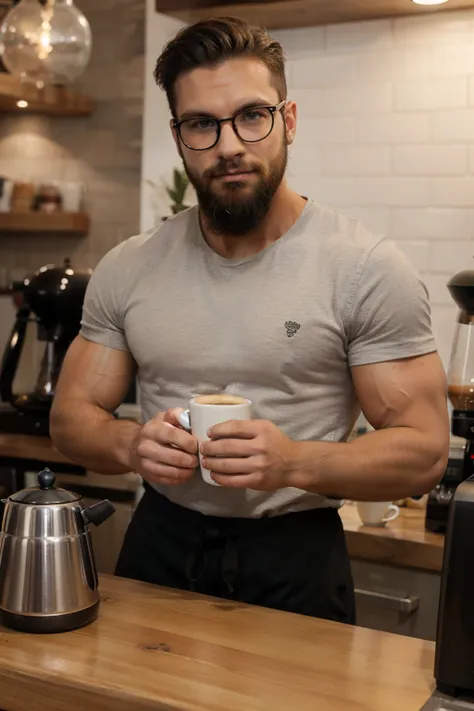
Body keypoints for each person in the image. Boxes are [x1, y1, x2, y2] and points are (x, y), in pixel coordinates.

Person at [50, 16, 449, 625]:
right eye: (202, 124)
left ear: (287, 120)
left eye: (251, 115)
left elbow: (424, 452)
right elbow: (70, 420)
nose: (229, 144)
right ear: (179, 136)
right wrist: (132, 444)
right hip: (158, 545)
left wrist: (293, 463)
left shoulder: (364, 267)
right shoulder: (130, 265)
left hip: (296, 556)